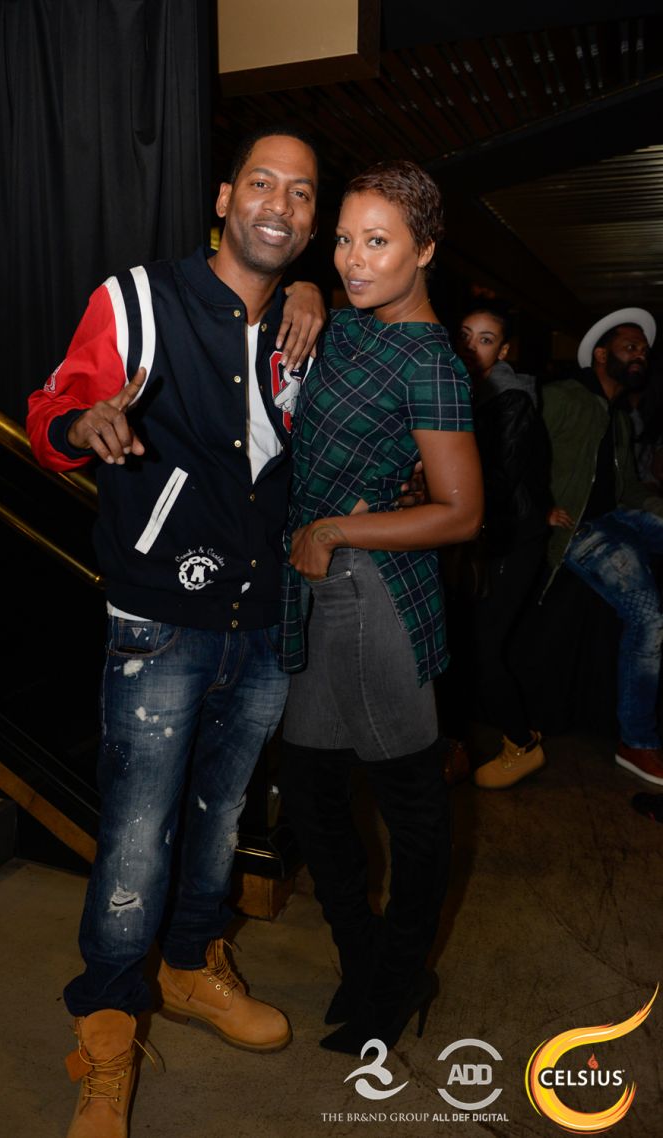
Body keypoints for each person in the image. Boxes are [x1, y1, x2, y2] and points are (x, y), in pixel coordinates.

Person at [26, 126, 325, 1138]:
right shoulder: (138, 299)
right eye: (261, 183)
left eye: (300, 191)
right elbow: (53, 408)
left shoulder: (302, 320)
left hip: (266, 613)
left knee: (221, 814)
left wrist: (312, 299)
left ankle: (193, 964)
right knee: (136, 836)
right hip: (158, 616)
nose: (278, 204)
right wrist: (83, 424)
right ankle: (107, 1031)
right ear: (223, 195)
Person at [278, 160, 483, 1056]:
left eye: (379, 242)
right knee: (314, 794)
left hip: (373, 602)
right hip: (318, 599)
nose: (356, 260)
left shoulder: (433, 361)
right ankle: (361, 957)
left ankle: (401, 979)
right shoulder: (356, 326)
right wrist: (311, 287)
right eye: (346, 240)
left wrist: (339, 533)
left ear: (425, 250)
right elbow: (321, 298)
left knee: (410, 804)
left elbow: (462, 511)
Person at [542, 307, 663, 786]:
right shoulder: (561, 398)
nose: (640, 354)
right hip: (576, 528)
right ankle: (638, 740)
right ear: (600, 354)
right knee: (649, 617)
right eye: (629, 346)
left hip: (613, 517)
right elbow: (514, 455)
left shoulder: (617, 419)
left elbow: (630, 490)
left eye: (643, 350)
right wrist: (539, 509)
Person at [454, 303, 551, 788]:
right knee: (465, 643)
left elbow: (499, 477)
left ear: (504, 350)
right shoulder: (464, 389)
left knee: (483, 648)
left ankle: (523, 744)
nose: (473, 346)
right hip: (482, 538)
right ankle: (460, 745)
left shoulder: (509, 399)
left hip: (512, 539)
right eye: (467, 335)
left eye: (486, 339)